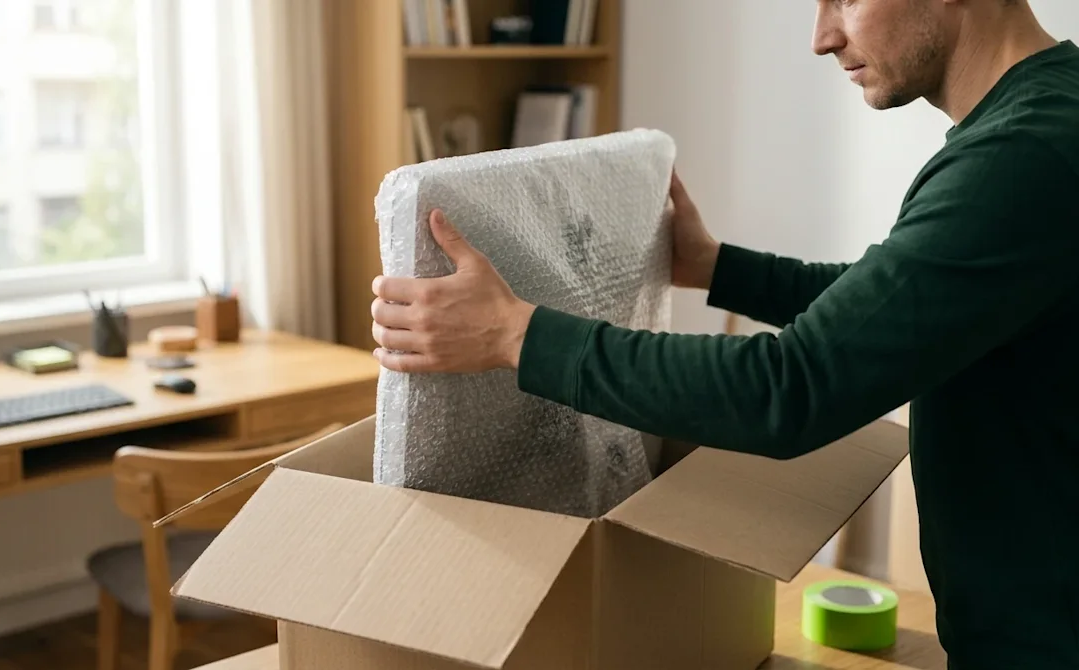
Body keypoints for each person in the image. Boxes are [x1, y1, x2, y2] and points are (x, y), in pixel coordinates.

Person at [370, 0, 1079, 667]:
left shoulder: (1021, 156)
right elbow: (900, 308)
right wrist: (717, 267)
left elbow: (789, 388)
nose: (823, 36)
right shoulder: (1044, 121)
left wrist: (517, 337)